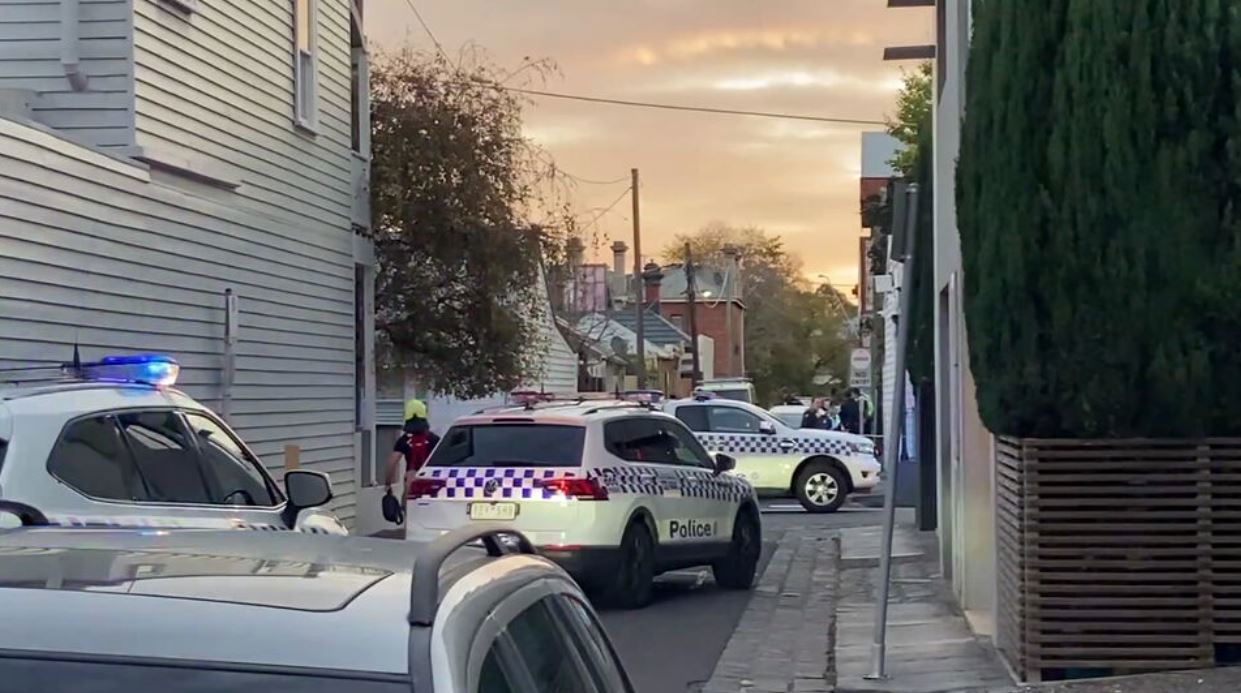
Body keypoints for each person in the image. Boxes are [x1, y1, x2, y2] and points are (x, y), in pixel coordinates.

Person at [385, 399, 441, 501]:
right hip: (431, 480)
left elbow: (392, 462)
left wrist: (388, 483)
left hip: (411, 480)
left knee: (408, 504)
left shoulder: (404, 440)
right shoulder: (435, 439)